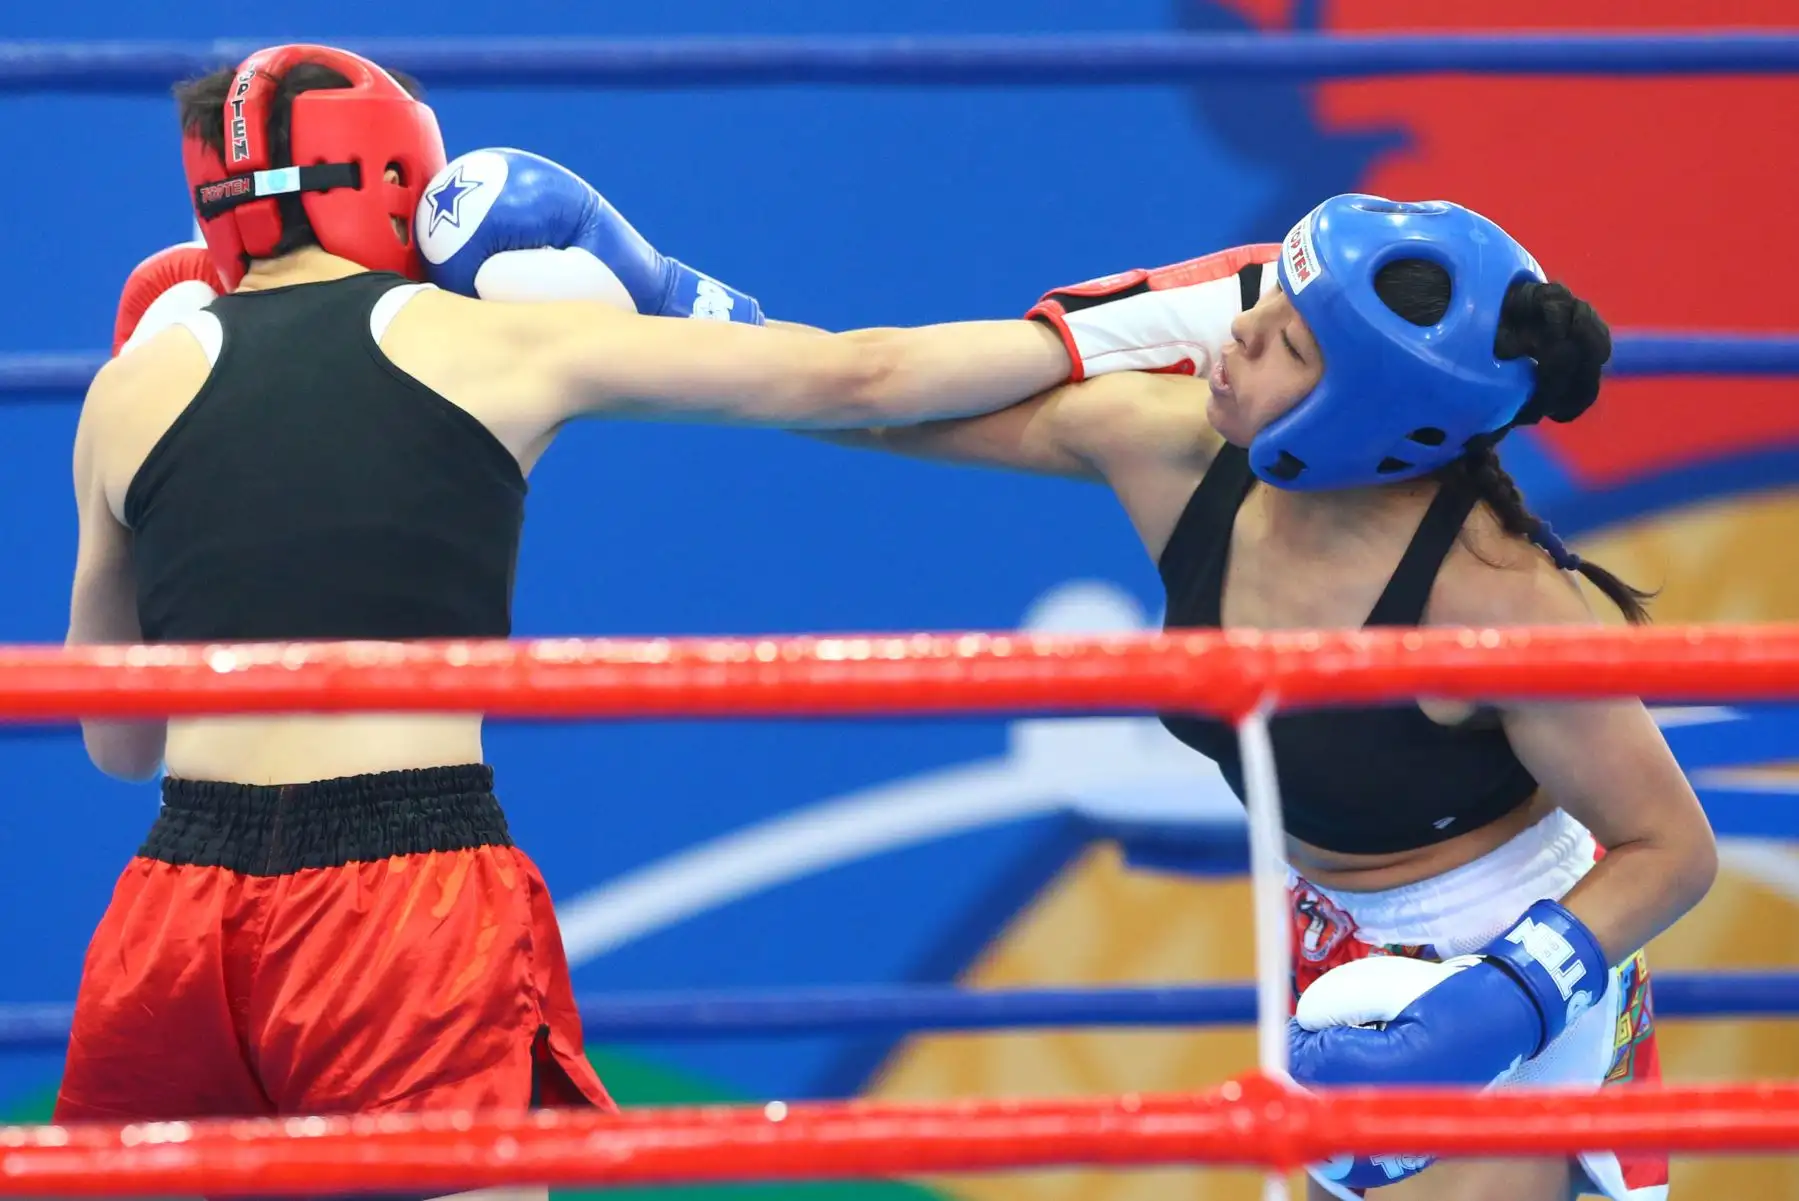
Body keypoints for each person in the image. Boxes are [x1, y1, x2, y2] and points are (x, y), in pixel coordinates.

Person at [58, 41, 1240, 1189]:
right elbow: (859, 377)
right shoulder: (491, 336)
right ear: (395, 175)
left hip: (178, 904)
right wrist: (1105, 330)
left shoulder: (126, 391)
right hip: (396, 894)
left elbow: (117, 741)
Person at [812, 196, 1713, 1201]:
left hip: (1507, 948)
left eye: (1285, 336)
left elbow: (1673, 848)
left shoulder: (1494, 599)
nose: (1232, 330)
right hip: (1329, 933)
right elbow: (884, 401)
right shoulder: (1183, 449)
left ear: (1361, 409)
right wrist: (689, 325)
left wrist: (1501, 1003)